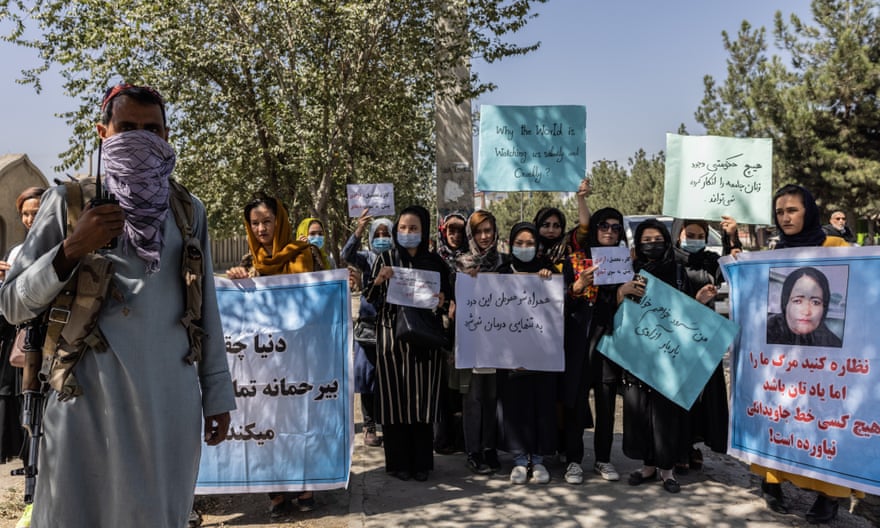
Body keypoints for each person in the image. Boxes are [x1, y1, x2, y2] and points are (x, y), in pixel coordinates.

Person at [0, 83, 235, 528]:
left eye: (152, 130)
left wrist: (217, 396)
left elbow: (206, 314)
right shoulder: (65, 204)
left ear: (166, 138)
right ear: (103, 133)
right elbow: (13, 304)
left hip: (168, 403)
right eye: (127, 128)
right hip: (86, 399)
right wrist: (72, 248)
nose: (142, 139)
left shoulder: (187, 210)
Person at [756, 184, 856, 524]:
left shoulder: (836, 247)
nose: (785, 218)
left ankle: (830, 496)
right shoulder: (774, 253)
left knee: (827, 420)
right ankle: (770, 484)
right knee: (779, 415)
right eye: (780, 211)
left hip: (827, 364)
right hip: (783, 364)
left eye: (792, 210)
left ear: (809, 211)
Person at [228, 195, 323, 518]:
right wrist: (240, 282)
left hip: (299, 354)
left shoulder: (305, 254)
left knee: (299, 417)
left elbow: (319, 300)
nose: (261, 228)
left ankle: (305, 485)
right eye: (255, 223)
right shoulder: (250, 261)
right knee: (268, 421)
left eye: (267, 221)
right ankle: (276, 489)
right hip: (264, 362)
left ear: (279, 220)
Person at [618, 219, 716, 494]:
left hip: (670, 353)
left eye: (657, 240)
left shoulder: (678, 271)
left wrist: (698, 301)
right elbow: (617, 310)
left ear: (666, 241)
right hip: (638, 351)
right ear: (638, 244)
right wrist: (621, 291)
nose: (652, 245)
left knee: (667, 412)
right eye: (646, 241)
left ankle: (667, 469)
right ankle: (647, 466)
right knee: (640, 409)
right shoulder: (630, 270)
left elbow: (685, 311)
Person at [365, 205, 452, 482]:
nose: (407, 233)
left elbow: (447, 302)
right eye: (402, 228)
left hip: (425, 341)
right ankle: (398, 463)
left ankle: (422, 463)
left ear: (423, 231)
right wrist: (379, 281)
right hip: (392, 340)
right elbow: (370, 297)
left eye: (413, 228)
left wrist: (441, 302)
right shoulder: (387, 258)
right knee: (395, 401)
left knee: (421, 401)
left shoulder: (436, 263)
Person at [671, 217, 739, 474]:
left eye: (700, 235)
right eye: (690, 233)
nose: (695, 239)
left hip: (705, 336)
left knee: (704, 397)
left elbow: (733, 267)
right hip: (676, 336)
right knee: (678, 394)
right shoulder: (670, 262)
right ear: (678, 235)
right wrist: (694, 301)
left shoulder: (710, 261)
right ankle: (678, 448)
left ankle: (692, 446)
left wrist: (731, 236)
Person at [496, 222, 556, 484]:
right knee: (515, 407)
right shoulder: (500, 272)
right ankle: (520, 460)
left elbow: (560, 304)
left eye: (529, 243)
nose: (524, 248)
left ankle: (540, 459)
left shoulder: (548, 271)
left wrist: (549, 280)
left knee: (541, 405)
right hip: (510, 355)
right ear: (511, 245)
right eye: (518, 243)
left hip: (542, 355)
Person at [580, 207, 629, 484]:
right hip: (582, 341)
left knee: (607, 401)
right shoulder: (580, 259)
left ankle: (603, 458)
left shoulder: (627, 262)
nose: (609, 232)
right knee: (577, 401)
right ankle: (574, 458)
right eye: (603, 226)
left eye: (615, 227)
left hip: (611, 341)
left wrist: (621, 294)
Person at [455, 210, 504, 475]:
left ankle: (490, 448)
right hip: (472, 343)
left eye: (488, 230)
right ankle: (473, 451)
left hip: (500, 343)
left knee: (493, 397)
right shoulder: (461, 264)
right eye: (479, 232)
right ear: (471, 235)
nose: (485, 236)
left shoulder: (504, 263)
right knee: (473, 399)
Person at [340, 208, 394, 447]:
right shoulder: (367, 258)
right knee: (367, 377)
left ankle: (389, 424)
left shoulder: (399, 259)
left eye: (386, 233)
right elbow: (346, 254)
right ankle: (369, 427)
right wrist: (359, 229)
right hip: (368, 330)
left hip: (392, 328)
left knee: (389, 378)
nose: (382, 237)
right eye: (377, 233)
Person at [432, 212, 468, 455]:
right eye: (451, 230)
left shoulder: (472, 259)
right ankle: (443, 439)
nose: (455, 236)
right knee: (443, 386)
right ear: (444, 232)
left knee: (462, 387)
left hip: (469, 329)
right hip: (442, 327)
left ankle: (463, 439)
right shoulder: (435, 260)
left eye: (460, 231)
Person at [766, 267, 842, 347]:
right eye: (797, 301)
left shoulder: (832, 342)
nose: (806, 312)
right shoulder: (766, 331)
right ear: (785, 303)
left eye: (815, 302)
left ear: (824, 308)